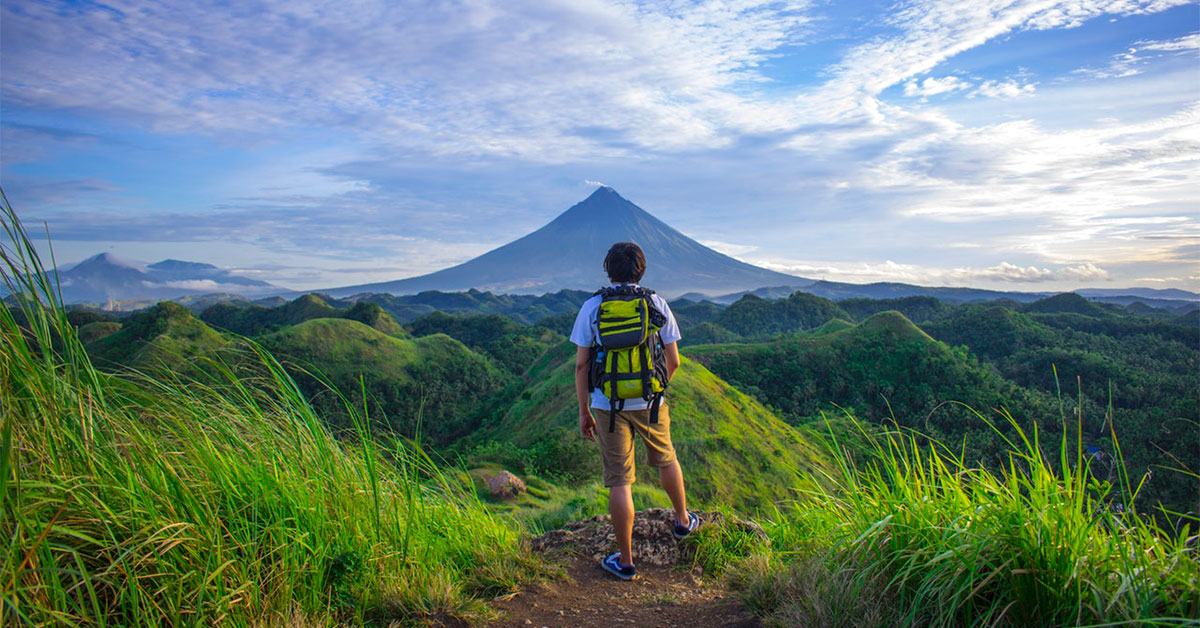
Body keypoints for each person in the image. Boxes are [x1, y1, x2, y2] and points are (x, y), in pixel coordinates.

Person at [569, 241, 698, 581]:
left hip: (606, 405)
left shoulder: (593, 306)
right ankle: (683, 521)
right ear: (641, 269)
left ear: (608, 270)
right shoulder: (655, 302)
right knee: (667, 458)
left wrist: (584, 410)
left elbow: (582, 366)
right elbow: (674, 360)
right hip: (651, 402)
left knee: (620, 481)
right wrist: (656, 390)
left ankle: (626, 562)